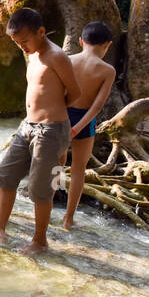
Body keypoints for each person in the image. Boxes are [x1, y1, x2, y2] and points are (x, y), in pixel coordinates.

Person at [0, 8, 81, 255]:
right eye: (17, 43)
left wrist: (57, 118)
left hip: (51, 130)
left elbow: (75, 93)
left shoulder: (57, 56)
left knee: (41, 188)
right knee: (6, 175)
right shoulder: (32, 54)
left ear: (41, 32)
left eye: (25, 41)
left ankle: (40, 241)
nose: (22, 47)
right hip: (27, 126)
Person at [62, 21, 117, 230]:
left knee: (56, 166)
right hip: (85, 121)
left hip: (62, 115)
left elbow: (58, 94)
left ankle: (46, 208)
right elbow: (96, 107)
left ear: (80, 41)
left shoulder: (67, 60)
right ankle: (68, 219)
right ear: (107, 45)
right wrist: (77, 128)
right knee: (78, 170)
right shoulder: (107, 70)